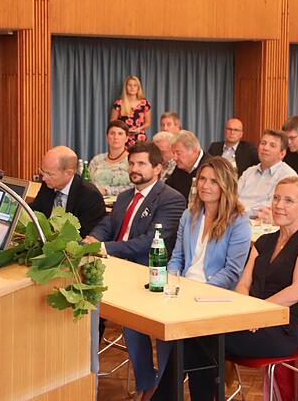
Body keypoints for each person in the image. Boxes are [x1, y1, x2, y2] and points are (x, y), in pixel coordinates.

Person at [84, 142, 185, 401]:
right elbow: (107, 224)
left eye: (141, 164)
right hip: (118, 269)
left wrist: (104, 247)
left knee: (144, 323)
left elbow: (150, 241)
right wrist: (92, 239)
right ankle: (145, 382)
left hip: (150, 271)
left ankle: (163, 388)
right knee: (118, 318)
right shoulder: (126, 196)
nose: (134, 169)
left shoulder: (171, 198)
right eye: (131, 163)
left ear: (158, 168)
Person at [152, 157, 252, 400]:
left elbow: (231, 272)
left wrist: (197, 292)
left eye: (213, 181)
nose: (205, 186)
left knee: (191, 343)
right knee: (186, 343)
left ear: (226, 186)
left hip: (214, 297)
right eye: (202, 180)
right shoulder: (190, 215)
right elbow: (176, 257)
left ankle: (164, 396)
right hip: (183, 293)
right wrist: (173, 281)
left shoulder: (239, 221)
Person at [226, 177, 298, 360]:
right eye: (276, 198)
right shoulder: (264, 241)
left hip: (280, 330)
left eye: (288, 201)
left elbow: (297, 292)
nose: (279, 205)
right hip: (250, 319)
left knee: (206, 338)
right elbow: (243, 284)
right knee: (195, 334)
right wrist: (244, 313)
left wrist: (260, 313)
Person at [31, 146, 105, 237]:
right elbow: (35, 211)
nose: (44, 178)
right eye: (43, 172)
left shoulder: (90, 196)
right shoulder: (48, 185)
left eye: (50, 174)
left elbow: (86, 237)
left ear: (69, 173)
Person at [238, 130, 298, 219]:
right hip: (235, 219)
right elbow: (232, 199)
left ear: (282, 153)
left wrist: (241, 213)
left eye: (272, 145)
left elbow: (271, 210)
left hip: (262, 224)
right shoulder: (249, 172)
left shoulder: (288, 176)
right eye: (263, 143)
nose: (265, 148)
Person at [89, 120, 132, 196]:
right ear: (107, 137)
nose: (116, 137)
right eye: (112, 133)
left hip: (124, 203)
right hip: (97, 201)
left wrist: (107, 191)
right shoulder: (97, 160)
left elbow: (135, 186)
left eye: (120, 134)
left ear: (126, 138)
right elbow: (88, 183)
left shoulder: (132, 160)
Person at [166, 130, 210, 200]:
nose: (174, 158)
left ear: (194, 150)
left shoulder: (212, 167)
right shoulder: (180, 167)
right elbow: (167, 190)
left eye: (178, 153)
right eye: (173, 153)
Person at [110, 75, 151, 147]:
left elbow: (148, 122)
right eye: (130, 85)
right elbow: (113, 121)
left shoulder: (144, 104)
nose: (132, 87)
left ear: (138, 88)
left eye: (135, 85)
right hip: (123, 137)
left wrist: (139, 129)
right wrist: (124, 130)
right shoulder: (119, 103)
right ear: (126, 87)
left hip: (139, 137)